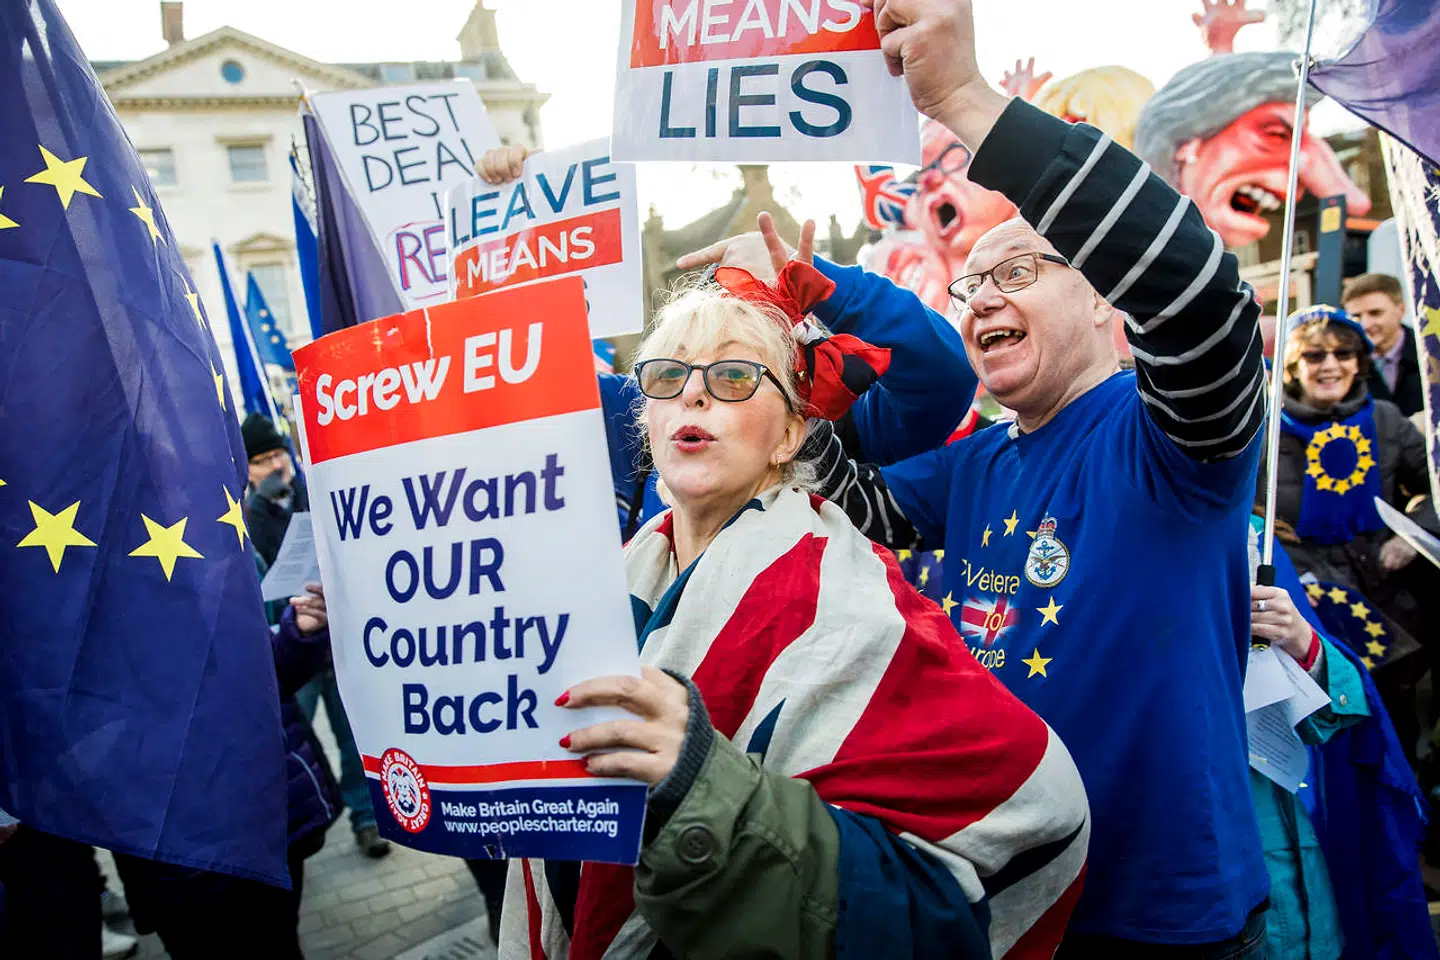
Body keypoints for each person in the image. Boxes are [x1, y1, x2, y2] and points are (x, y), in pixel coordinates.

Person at [682, 0, 1272, 950]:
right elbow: (853, 507)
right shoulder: (981, 461)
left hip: (1160, 905)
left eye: (1020, 272)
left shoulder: (1171, 437)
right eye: (969, 286)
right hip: (1010, 892)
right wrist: (790, 388)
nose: (981, 298)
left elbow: (1201, 299)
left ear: (1104, 301)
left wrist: (961, 97)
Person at [498, 264, 1089, 958]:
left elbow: (1025, 825)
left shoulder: (847, 598)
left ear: (789, 436)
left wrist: (700, 787)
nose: (693, 393)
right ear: (646, 420)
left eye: (736, 378)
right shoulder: (612, 582)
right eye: (667, 376)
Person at [112, 584, 336, 960]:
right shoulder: (79, 624)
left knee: (279, 943)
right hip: (180, 858)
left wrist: (301, 632)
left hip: (265, 827)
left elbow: (270, 672)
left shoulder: (200, 581)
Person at [1344, 273, 1424, 418]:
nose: (1365, 324)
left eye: (1375, 313)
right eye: (1356, 317)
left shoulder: (1431, 353)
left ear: (1401, 310)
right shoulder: (1341, 362)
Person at [242, 412, 309, 568]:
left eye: (278, 454)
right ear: (248, 471)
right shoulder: (247, 516)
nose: (276, 465)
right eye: (264, 460)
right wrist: (261, 502)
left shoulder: (310, 493)